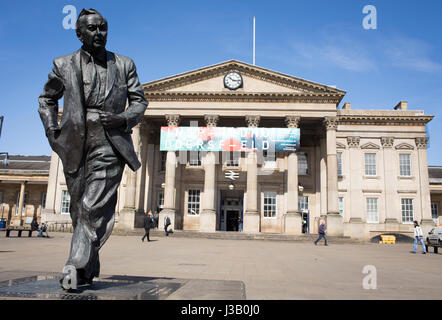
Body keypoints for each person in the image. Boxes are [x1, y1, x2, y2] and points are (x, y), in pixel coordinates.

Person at [38, 8, 148, 290]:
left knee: (91, 205)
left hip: (110, 142)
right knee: (79, 210)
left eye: (103, 28)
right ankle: (89, 266)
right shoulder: (63, 64)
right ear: (79, 33)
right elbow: (47, 99)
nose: (99, 33)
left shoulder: (124, 64)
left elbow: (139, 102)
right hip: (75, 143)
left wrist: (122, 118)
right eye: (93, 29)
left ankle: (73, 268)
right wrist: (52, 131)